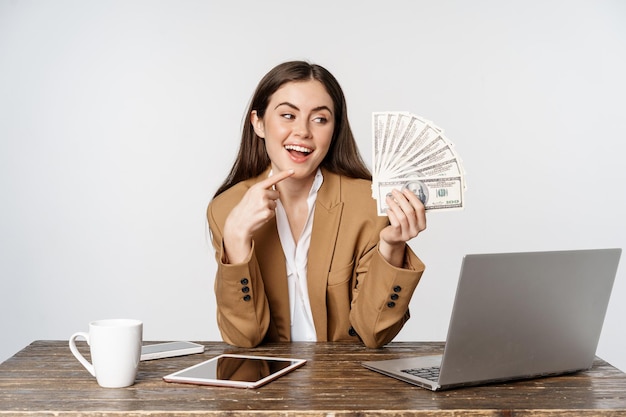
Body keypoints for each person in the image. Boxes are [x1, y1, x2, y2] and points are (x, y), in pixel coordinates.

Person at [207, 60, 426, 349]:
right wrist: (235, 239)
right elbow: (243, 337)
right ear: (258, 123)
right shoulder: (227, 209)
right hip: (269, 385)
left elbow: (373, 334)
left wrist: (391, 247)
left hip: (345, 383)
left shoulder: (367, 204)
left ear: (334, 130)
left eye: (320, 119)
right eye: (288, 115)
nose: (303, 132)